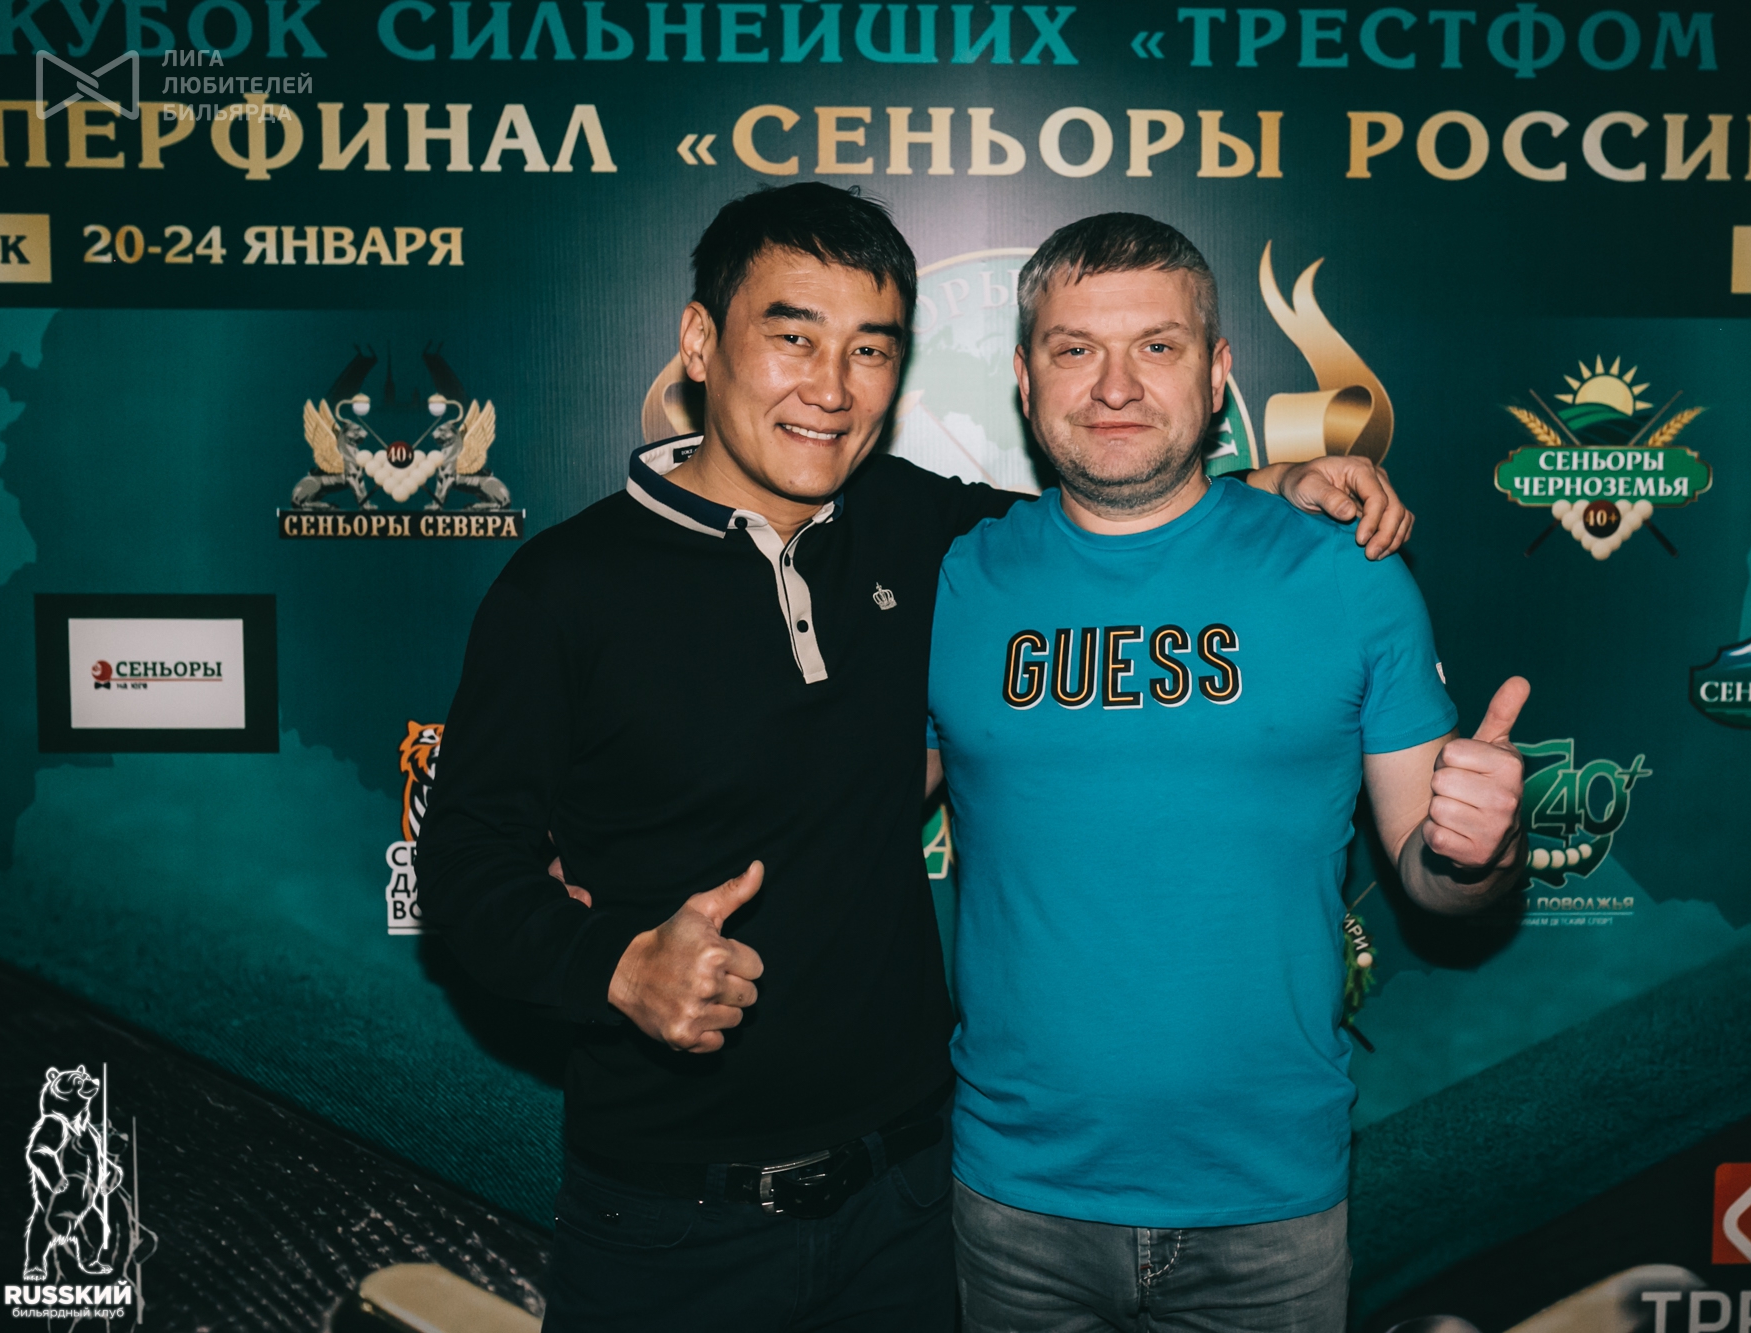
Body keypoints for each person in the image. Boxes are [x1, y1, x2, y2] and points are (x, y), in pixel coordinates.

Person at [417, 183, 1413, 1333]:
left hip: (906, 1207)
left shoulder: (914, 528)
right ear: (698, 341)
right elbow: (465, 868)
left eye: (870, 349)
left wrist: (1273, 489)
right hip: (666, 1217)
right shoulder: (562, 590)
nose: (830, 387)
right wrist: (617, 965)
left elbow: (1110, 512)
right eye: (793, 337)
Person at [924, 213, 1530, 1333]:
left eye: (1154, 347)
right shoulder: (955, 578)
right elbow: (837, 814)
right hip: (1014, 1200)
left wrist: (1478, 850)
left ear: (1214, 376)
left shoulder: (1348, 573)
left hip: (1268, 1205)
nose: (1114, 385)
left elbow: (1434, 880)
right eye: (1074, 348)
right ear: (1022, 376)